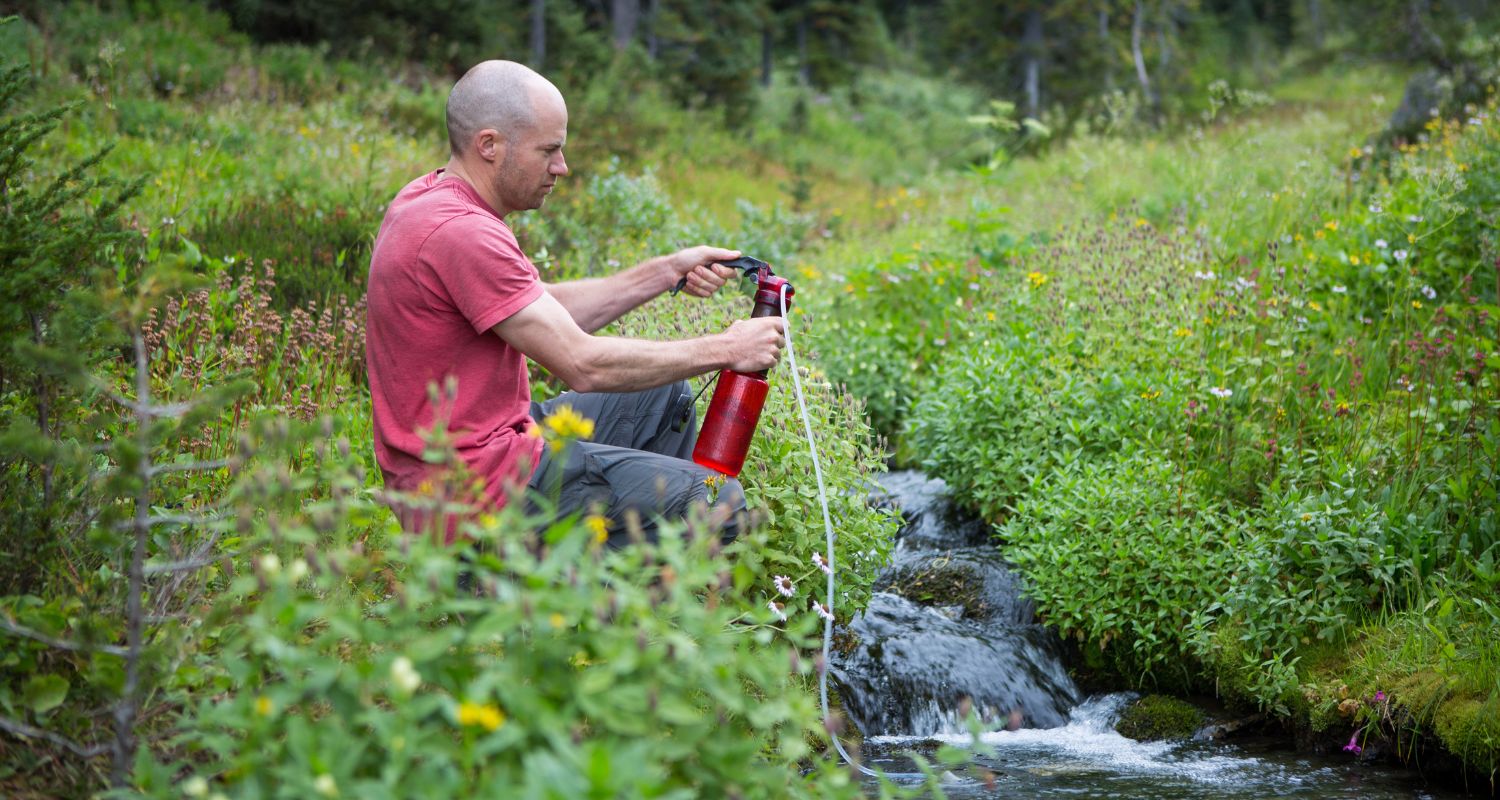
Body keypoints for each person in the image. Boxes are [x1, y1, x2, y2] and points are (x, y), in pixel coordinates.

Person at [365, 59, 784, 545]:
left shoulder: (432, 198)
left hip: (478, 451)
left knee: (661, 400)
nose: (561, 167)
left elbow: (545, 308)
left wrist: (666, 270)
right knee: (718, 503)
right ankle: (560, 597)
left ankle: (609, 565)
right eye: (549, 150)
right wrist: (728, 348)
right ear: (489, 146)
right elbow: (582, 363)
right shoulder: (462, 232)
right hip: (471, 491)